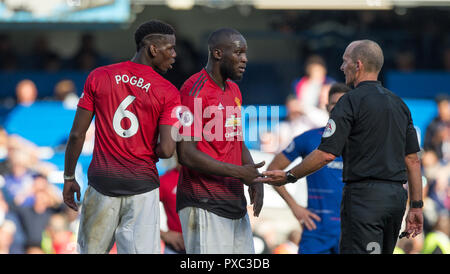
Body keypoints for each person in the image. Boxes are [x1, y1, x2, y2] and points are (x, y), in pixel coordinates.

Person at [256, 40, 424, 254]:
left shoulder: (349, 101)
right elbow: (412, 160)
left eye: (345, 62)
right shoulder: (400, 105)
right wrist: (416, 205)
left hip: (365, 200)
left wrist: (289, 176)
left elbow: (326, 154)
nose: (341, 67)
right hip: (395, 199)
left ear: (358, 65)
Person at [62, 19, 181, 254]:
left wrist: (68, 177)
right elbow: (167, 150)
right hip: (142, 186)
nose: (175, 55)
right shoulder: (168, 91)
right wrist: (146, 148)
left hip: (102, 183)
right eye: (170, 48)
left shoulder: (99, 76)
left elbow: (77, 134)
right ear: (152, 49)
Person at [176, 28, 264, 254]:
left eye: (245, 53)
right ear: (217, 53)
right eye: (238, 53)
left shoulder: (234, 89)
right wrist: (239, 172)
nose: (244, 59)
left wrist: (254, 178)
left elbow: (236, 140)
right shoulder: (193, 90)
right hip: (203, 201)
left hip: (234, 202)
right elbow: (186, 154)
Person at [267, 83, 350, 254]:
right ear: (327, 107)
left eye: (345, 103)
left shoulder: (363, 142)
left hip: (353, 231)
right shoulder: (309, 138)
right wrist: (295, 208)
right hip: (316, 232)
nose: (340, 108)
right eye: (335, 104)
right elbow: (272, 171)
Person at [159, 163, 185, 254]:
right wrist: (163, 234)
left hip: (208, 246)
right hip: (175, 248)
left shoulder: (210, 179)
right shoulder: (164, 180)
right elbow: (138, 212)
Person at [423, 94, 450, 163]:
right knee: (427, 158)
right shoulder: (432, 125)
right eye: (439, 107)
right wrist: (437, 138)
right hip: (439, 160)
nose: (442, 110)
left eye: (445, 106)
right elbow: (427, 147)